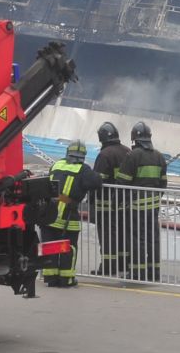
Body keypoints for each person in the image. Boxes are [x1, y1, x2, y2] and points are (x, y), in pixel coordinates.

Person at [42, 142, 100, 288]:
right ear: (83, 156)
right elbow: (97, 182)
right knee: (68, 248)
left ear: (68, 153)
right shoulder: (83, 169)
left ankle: (50, 278)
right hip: (67, 216)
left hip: (48, 214)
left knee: (50, 246)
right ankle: (66, 280)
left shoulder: (56, 165)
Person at [118, 121, 169, 281]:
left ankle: (137, 273)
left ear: (134, 138)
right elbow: (163, 183)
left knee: (137, 239)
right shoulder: (159, 156)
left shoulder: (133, 156)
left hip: (135, 207)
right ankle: (154, 273)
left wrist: (121, 201)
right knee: (152, 239)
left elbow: (122, 182)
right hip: (153, 207)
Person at [91, 121, 132, 277]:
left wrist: (92, 199)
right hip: (124, 204)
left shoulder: (105, 155)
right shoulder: (127, 151)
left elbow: (98, 180)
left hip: (106, 204)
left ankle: (108, 267)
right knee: (122, 234)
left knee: (107, 236)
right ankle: (123, 264)